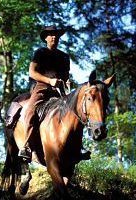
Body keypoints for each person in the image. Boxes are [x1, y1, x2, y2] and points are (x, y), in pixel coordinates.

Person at [18, 26, 91, 161]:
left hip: (60, 91)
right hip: (41, 88)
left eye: (56, 35)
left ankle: (79, 146)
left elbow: (66, 76)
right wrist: (49, 81)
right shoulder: (40, 52)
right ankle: (27, 146)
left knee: (75, 112)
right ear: (45, 38)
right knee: (30, 111)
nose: (54, 37)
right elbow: (32, 73)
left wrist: (68, 82)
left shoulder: (64, 57)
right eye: (51, 35)